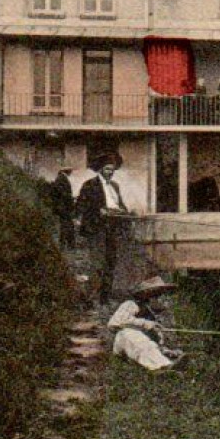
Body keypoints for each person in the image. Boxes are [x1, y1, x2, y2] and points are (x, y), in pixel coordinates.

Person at [77, 155, 129, 301]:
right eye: (107, 169)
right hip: (97, 228)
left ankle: (105, 297)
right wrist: (99, 210)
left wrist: (124, 211)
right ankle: (91, 297)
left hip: (112, 227)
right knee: (97, 263)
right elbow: (81, 206)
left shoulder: (114, 186)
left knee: (110, 261)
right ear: (100, 169)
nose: (110, 172)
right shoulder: (89, 185)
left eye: (112, 170)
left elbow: (121, 205)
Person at [107, 276, 183, 371]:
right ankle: (163, 367)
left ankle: (167, 366)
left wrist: (167, 351)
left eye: (161, 294)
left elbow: (152, 343)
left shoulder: (151, 315)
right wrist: (144, 324)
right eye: (156, 294)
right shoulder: (130, 304)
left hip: (137, 351)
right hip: (124, 341)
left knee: (149, 345)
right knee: (131, 334)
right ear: (147, 295)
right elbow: (115, 323)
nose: (161, 298)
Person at [50, 167, 76, 246]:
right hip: (63, 206)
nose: (71, 172)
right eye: (70, 170)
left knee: (66, 224)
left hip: (63, 206)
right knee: (67, 224)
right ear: (66, 171)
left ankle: (66, 243)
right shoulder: (61, 179)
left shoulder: (61, 178)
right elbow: (62, 193)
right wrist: (71, 198)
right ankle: (67, 243)